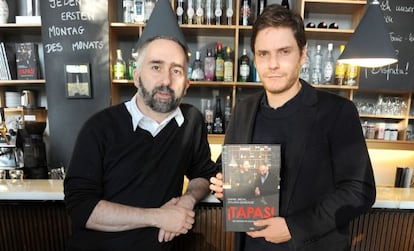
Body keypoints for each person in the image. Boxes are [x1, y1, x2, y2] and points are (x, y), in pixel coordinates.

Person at [210, 4, 376, 251]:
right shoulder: (244, 109)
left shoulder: (337, 112)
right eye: (263, 54)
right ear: (255, 57)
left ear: (303, 54)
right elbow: (225, 165)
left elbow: (360, 190)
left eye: (284, 52)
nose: (273, 64)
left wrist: (294, 227)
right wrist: (223, 185)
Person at [64, 1, 217, 250]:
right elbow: (81, 207)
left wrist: (188, 200)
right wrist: (158, 216)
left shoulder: (191, 122)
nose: (166, 80)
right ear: (136, 76)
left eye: (176, 71)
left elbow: (203, 174)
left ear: (187, 83)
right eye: (156, 67)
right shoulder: (100, 127)